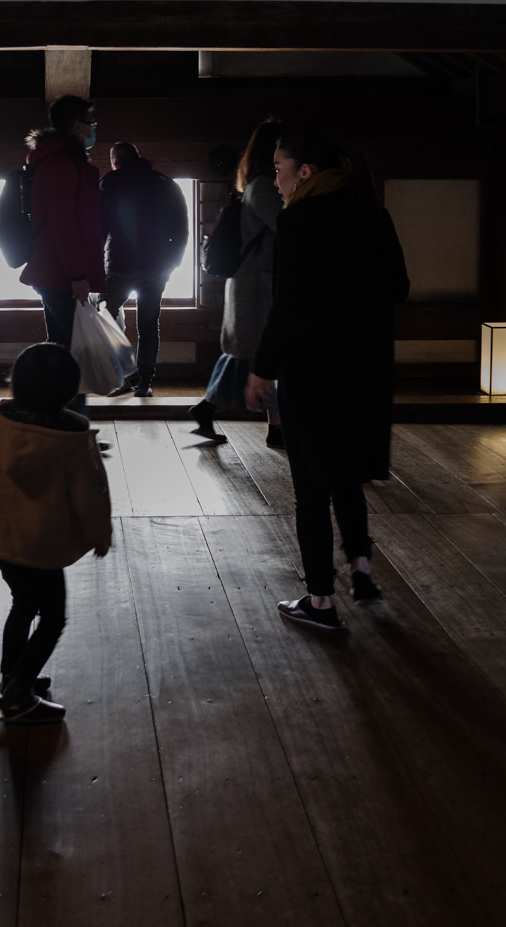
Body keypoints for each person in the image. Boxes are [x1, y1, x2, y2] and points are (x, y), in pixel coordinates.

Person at [247, 127, 410, 634]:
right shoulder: (373, 214)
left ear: (305, 172)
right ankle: (361, 571)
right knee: (346, 472)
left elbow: (289, 306)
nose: (275, 180)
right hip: (365, 370)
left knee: (311, 489)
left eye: (279, 168)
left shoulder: (299, 220)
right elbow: (399, 287)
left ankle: (319, 601)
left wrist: (262, 368)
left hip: (312, 371)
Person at [0, 343, 113, 725]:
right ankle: (20, 692)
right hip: (43, 544)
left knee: (23, 605)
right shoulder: (72, 440)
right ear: (70, 391)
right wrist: (99, 533)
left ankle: (11, 677)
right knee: (53, 618)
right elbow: (89, 494)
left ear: (15, 382)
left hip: (2, 540)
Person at [190, 118, 283, 443]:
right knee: (259, 355)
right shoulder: (263, 187)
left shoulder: (253, 185)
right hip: (256, 286)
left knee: (253, 355)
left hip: (253, 283)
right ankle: (272, 428)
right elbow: (286, 226)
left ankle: (271, 427)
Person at [20, 95, 105, 404]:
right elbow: (63, 224)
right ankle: (72, 419)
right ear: (76, 125)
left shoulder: (58, 159)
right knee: (74, 353)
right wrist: (78, 274)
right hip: (61, 273)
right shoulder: (61, 163)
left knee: (63, 348)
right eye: (90, 123)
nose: (93, 129)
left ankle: (57, 416)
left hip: (56, 270)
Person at [98, 142, 188, 397]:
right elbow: (181, 229)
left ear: (115, 163)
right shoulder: (165, 183)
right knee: (148, 325)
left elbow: (99, 228)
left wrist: (92, 265)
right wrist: (172, 263)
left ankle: (126, 375)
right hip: (156, 267)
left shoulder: (110, 182)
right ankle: (144, 383)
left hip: (119, 265)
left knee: (103, 316)